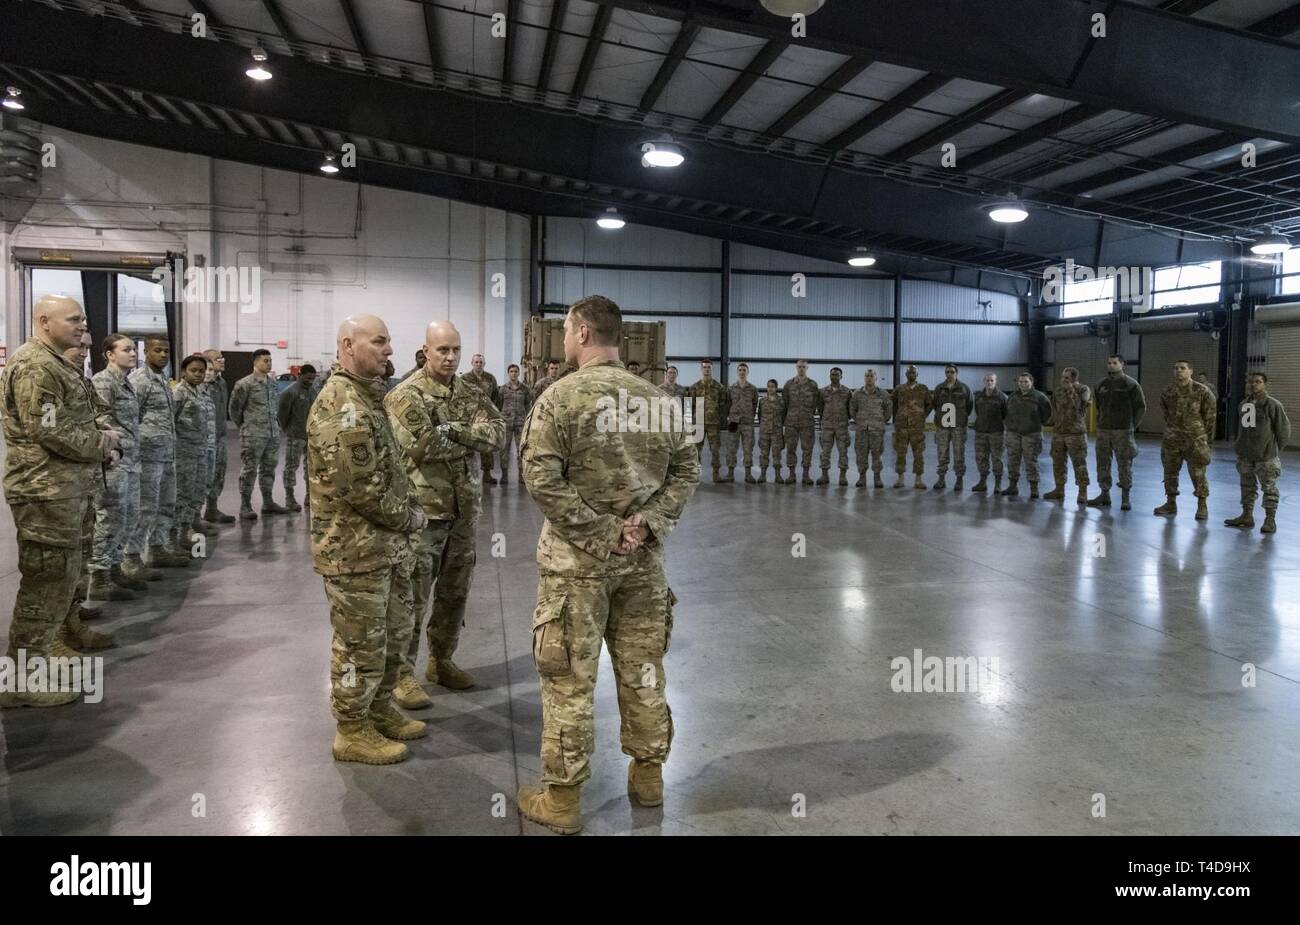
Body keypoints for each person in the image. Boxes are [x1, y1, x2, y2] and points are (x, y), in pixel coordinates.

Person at [517, 294, 699, 835]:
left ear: (579, 332)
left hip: (576, 565)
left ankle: (564, 802)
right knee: (644, 673)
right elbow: (687, 470)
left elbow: (540, 476)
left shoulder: (559, 399)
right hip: (642, 564)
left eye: (568, 332)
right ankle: (648, 780)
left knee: (569, 679)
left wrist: (599, 532)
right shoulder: (662, 401)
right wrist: (646, 524)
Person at [309, 315, 427, 764]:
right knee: (360, 644)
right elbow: (361, 489)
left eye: (389, 342)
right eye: (379, 342)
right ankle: (352, 729)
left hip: (382, 548)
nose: (389, 351)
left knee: (392, 635)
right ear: (347, 345)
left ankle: (378, 711)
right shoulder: (342, 405)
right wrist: (411, 518)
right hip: (354, 550)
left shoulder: (366, 397)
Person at [0, 295, 120, 707]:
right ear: (44, 321)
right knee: (44, 585)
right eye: (73, 319)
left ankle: (40, 659)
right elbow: (48, 430)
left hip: (63, 489)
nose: (81, 325)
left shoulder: (55, 363)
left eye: (83, 319)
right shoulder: (35, 366)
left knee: (58, 581)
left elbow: (80, 416)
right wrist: (105, 443)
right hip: (43, 491)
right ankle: (20, 681)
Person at [385, 320, 505, 707]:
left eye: (455, 349)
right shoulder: (405, 395)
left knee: (454, 594)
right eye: (443, 350)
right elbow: (422, 447)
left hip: (464, 514)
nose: (451, 357)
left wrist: (453, 429)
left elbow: (500, 434)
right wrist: (469, 436)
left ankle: (441, 660)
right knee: (413, 598)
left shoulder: (472, 390)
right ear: (425, 350)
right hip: (425, 516)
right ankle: (403, 673)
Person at [89, 334, 145, 601]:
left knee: (129, 515)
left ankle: (115, 566)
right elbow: (100, 418)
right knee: (110, 517)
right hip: (115, 461)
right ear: (110, 355)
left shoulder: (127, 383)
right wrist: (115, 446)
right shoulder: (102, 381)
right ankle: (99, 576)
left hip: (132, 460)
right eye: (126, 350)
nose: (133, 353)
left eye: (133, 349)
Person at [127, 334, 186, 570]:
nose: (162, 355)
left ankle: (157, 548)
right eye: (157, 350)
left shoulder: (163, 380)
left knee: (166, 504)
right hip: (148, 457)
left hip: (167, 455)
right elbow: (131, 419)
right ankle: (132, 557)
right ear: (146, 353)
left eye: (165, 351)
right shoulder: (139, 381)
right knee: (145, 508)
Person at [1226, 371, 1289, 534]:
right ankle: (1247, 516)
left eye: (1258, 382)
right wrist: (1239, 446)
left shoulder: (1273, 405)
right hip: (1246, 455)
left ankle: (1270, 520)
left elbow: (1283, 430)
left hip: (1265, 456)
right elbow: (1241, 428)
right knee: (1247, 486)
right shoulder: (1243, 404)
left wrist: (1273, 450)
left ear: (1264, 384)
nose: (1254, 384)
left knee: (1269, 488)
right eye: (1251, 382)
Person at [229, 348, 286, 521]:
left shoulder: (272, 383)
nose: (268, 364)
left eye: (270, 360)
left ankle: (268, 502)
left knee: (268, 470)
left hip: (272, 434)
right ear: (255, 362)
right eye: (265, 361)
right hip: (253, 435)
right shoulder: (244, 384)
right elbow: (234, 410)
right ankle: (245, 505)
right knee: (249, 470)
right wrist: (246, 427)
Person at [1154, 360, 1215, 520]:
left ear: (1191, 371)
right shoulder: (1168, 391)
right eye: (1176, 368)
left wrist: (1202, 436)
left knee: (1198, 473)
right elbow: (1166, 413)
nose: (1178, 371)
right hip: (1172, 439)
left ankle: (1202, 505)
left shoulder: (1202, 391)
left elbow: (1209, 417)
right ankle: (1170, 503)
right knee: (1170, 472)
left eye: (1182, 368)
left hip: (1194, 440)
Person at [1089, 355, 1145, 511]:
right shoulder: (1101, 384)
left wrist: (1132, 426)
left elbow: (1140, 407)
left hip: (1123, 431)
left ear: (1122, 364)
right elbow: (1099, 406)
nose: (1111, 365)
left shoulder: (1131, 384)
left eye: (1115, 363)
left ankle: (1125, 498)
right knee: (1102, 463)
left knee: (1124, 463)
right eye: (1109, 363)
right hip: (1104, 430)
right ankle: (1104, 494)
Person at [171, 354, 211, 559]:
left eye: (201, 371)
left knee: (196, 492)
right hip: (183, 452)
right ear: (184, 372)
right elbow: (171, 421)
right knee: (182, 494)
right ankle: (174, 536)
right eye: (193, 371)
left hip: (199, 451)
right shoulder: (179, 393)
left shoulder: (200, 392)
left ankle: (186, 529)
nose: (198, 374)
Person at [1045, 366, 1091, 507]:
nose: (1063, 380)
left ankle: (1082, 491)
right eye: (1062, 377)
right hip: (1059, 433)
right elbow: (1054, 409)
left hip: (1075, 433)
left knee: (1079, 464)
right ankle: (1059, 489)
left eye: (1067, 378)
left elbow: (1080, 407)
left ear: (1074, 379)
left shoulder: (1083, 389)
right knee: (1058, 462)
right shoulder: (1058, 391)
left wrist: (1071, 390)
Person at [1001, 372, 1052, 499]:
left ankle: (1034, 488)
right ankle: (1013, 486)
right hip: (1013, 433)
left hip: (1031, 434)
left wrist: (1035, 424)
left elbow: (1047, 414)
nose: (1023, 384)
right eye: (1020, 382)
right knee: (1012, 460)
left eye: (1026, 382)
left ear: (1031, 382)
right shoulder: (1012, 397)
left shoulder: (1039, 397)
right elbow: (1006, 412)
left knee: (1031, 462)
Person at [202, 349, 236, 524]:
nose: (222, 361)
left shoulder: (221, 382)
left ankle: (212, 509)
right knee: (203, 476)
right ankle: (193, 517)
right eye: (217, 358)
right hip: (204, 439)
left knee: (219, 473)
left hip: (220, 436)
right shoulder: (201, 384)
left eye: (222, 358)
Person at [277, 363, 317, 512]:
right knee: (291, 467)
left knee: (311, 468)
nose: (311, 381)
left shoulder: (313, 392)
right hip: (295, 435)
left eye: (313, 378)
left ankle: (309, 496)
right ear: (300, 375)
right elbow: (282, 415)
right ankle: (290, 498)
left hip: (311, 436)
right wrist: (288, 429)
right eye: (308, 378)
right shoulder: (290, 392)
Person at [930, 364, 972, 492]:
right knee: (942, 453)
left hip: (958, 426)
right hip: (943, 426)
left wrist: (961, 417)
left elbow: (969, 406)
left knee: (959, 453)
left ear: (956, 373)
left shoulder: (964, 388)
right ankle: (941, 478)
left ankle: (959, 479)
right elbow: (935, 404)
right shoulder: (939, 388)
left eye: (952, 372)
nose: (949, 374)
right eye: (947, 372)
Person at [462, 353, 501, 484]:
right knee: (468, 444)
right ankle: (468, 474)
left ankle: (487, 474)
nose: (478, 364)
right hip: (470, 416)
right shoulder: (465, 378)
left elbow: (496, 396)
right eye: (476, 362)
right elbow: (459, 396)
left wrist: (493, 412)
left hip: (486, 416)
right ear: (471, 363)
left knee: (486, 444)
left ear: (484, 364)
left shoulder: (490, 378)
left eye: (481, 362)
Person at [782, 360, 821, 485]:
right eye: (799, 367)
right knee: (791, 449)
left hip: (807, 423)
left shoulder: (813, 385)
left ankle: (806, 475)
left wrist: (807, 413)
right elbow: (785, 402)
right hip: (791, 423)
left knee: (807, 449)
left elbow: (816, 403)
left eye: (804, 367)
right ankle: (791, 475)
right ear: (796, 368)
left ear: (807, 368)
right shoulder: (789, 384)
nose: (801, 369)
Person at [688, 360, 728, 482]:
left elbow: (723, 405)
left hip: (713, 424)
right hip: (698, 423)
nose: (706, 370)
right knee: (696, 451)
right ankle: (696, 476)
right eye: (704, 367)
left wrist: (721, 419)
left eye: (709, 367)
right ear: (701, 369)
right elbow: (690, 405)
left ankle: (716, 475)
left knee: (715, 450)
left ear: (712, 369)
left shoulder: (719, 387)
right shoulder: (694, 387)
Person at [850, 369, 891, 488]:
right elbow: (852, 410)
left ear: (876, 378)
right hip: (862, 430)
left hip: (877, 430)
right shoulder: (857, 394)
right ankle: (862, 478)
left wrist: (881, 421)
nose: (869, 378)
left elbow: (888, 410)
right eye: (867, 376)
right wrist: (859, 421)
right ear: (864, 378)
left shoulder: (883, 394)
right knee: (861, 454)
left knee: (877, 454)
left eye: (871, 376)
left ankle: (877, 478)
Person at [892, 364, 930, 489]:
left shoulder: (923, 389)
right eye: (909, 372)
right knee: (900, 453)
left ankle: (918, 480)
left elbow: (930, 404)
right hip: (901, 427)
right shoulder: (899, 389)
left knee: (918, 454)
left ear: (917, 375)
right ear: (906, 374)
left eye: (914, 372)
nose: (911, 374)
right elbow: (893, 403)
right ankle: (900, 479)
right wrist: (898, 416)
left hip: (917, 428)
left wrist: (922, 415)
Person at [971, 373, 1007, 493]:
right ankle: (982, 482)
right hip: (980, 431)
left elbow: (1006, 414)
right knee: (981, 457)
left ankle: (998, 484)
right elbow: (977, 411)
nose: (989, 382)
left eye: (991, 380)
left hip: (996, 432)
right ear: (984, 381)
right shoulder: (979, 396)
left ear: (996, 381)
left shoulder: (1002, 397)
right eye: (987, 380)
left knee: (997, 458)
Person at [497, 363, 532, 485]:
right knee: (504, 448)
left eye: (516, 371)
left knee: (521, 449)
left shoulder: (524, 389)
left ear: (519, 373)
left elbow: (528, 404)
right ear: (508, 373)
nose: (513, 373)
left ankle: (521, 475)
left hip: (520, 422)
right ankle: (504, 475)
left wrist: (528, 419)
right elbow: (498, 405)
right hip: (506, 422)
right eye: (511, 371)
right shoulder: (503, 389)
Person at [725, 362, 759, 483]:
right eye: (740, 370)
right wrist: (730, 417)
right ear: (737, 372)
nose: (742, 372)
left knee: (748, 448)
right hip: (734, 422)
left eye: (744, 370)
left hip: (747, 423)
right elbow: (728, 404)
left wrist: (748, 415)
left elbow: (755, 404)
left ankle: (748, 474)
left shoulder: (753, 389)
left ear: (747, 372)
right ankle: (730, 474)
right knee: (731, 448)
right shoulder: (731, 388)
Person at [819, 367, 852, 486]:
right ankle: (824, 475)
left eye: (837, 375)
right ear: (829, 376)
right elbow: (820, 407)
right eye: (832, 374)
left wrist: (843, 419)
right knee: (825, 451)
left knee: (843, 451)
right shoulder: (823, 392)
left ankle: (842, 476)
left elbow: (850, 410)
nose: (834, 377)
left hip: (842, 427)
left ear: (841, 376)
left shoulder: (847, 392)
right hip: (827, 426)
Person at [757, 378, 785, 484]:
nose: (770, 388)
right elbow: (760, 416)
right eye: (769, 386)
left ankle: (778, 476)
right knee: (763, 454)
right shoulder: (762, 401)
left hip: (776, 432)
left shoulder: (781, 401)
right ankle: (762, 475)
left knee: (777, 455)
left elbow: (784, 415)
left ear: (776, 388)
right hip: (764, 432)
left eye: (772, 386)